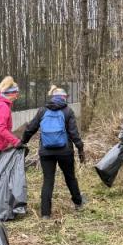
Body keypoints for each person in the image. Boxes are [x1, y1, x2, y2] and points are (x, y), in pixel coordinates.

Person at [20, 86, 85, 218]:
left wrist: (23, 141)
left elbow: (30, 128)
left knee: (48, 180)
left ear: (52, 97)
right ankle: (78, 203)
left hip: (46, 151)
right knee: (70, 177)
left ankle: (45, 213)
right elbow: (74, 133)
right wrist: (80, 148)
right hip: (65, 151)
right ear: (64, 98)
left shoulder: (42, 110)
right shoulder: (68, 111)